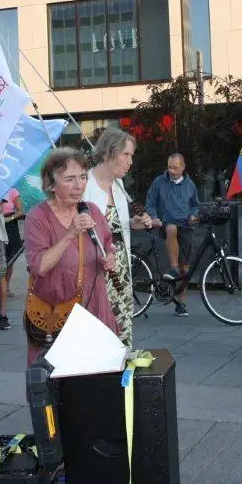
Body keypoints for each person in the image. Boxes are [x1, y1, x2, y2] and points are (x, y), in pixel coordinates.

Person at [24, 148, 118, 365]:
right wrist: (70, 235)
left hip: (95, 308)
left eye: (83, 177)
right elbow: (40, 266)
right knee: (60, 386)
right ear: (51, 184)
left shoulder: (92, 211)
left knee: (98, 379)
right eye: (70, 179)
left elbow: (107, 246)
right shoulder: (38, 217)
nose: (79, 185)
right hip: (58, 313)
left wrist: (109, 259)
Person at [84, 128, 153, 348]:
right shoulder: (85, 185)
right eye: (126, 154)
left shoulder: (119, 185)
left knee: (123, 318)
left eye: (131, 155)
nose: (130, 161)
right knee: (100, 322)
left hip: (121, 264)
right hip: (97, 266)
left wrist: (134, 223)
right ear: (107, 153)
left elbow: (115, 225)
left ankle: (121, 368)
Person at [145, 153, 201, 317]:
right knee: (171, 228)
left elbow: (195, 205)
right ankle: (173, 268)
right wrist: (154, 217)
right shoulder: (159, 182)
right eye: (169, 167)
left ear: (183, 167)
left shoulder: (190, 185)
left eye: (175, 167)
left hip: (186, 227)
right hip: (166, 225)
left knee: (186, 267)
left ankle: (181, 304)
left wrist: (193, 215)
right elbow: (150, 202)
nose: (172, 171)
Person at [1, 188, 25, 288]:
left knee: (9, 258)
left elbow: (20, 212)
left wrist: (9, 218)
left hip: (9, 224)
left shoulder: (12, 191)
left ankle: (6, 286)